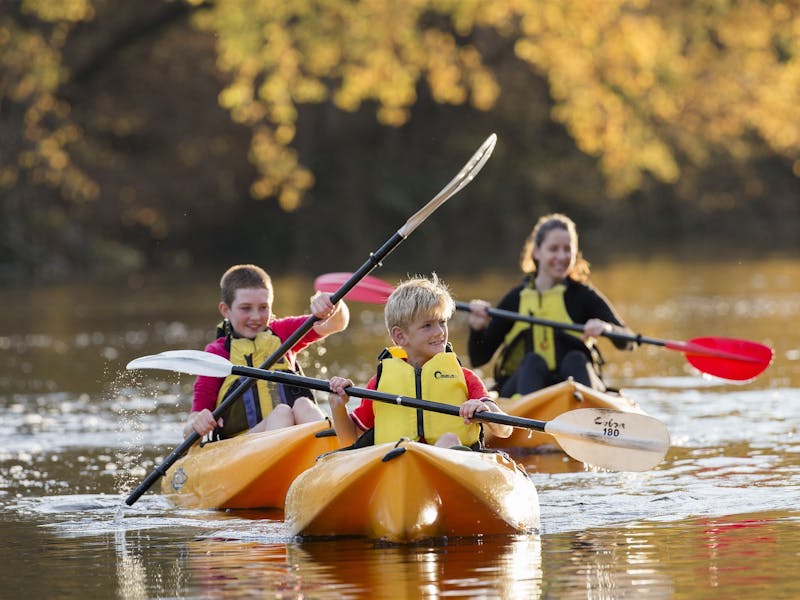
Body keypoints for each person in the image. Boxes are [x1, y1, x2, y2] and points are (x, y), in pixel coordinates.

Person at [327, 274, 512, 449]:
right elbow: (350, 439)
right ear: (400, 336)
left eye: (442, 322)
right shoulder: (379, 383)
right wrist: (338, 406)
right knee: (400, 445)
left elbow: (505, 430)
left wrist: (484, 410)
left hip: (452, 464)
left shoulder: (465, 378)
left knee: (449, 439)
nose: (440, 332)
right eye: (427, 326)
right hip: (399, 463)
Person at [467, 213, 635, 397]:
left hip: (575, 389)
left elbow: (629, 341)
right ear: (536, 252)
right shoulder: (515, 300)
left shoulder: (584, 296)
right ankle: (529, 423)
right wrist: (477, 329)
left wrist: (607, 328)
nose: (561, 256)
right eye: (554, 249)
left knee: (576, 360)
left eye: (567, 249)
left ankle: (585, 416)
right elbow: (478, 358)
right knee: (532, 362)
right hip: (525, 391)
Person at [184, 264, 349, 440]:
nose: (256, 317)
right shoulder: (216, 354)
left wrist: (333, 305)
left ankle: (333, 452)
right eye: (246, 308)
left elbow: (336, 324)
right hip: (241, 449)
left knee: (303, 405)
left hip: (295, 440)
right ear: (226, 310)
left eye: (263, 308)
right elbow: (190, 429)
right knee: (282, 413)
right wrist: (197, 421)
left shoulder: (283, 333)